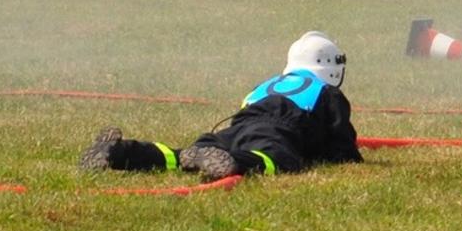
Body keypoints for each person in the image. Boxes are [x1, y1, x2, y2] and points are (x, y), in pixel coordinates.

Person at [79, 32, 362, 182]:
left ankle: (119, 152)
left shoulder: (266, 85)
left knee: (180, 157)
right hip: (276, 132)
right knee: (279, 160)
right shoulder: (325, 92)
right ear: (330, 66)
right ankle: (234, 163)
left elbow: (244, 111)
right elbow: (341, 146)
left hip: (236, 127)